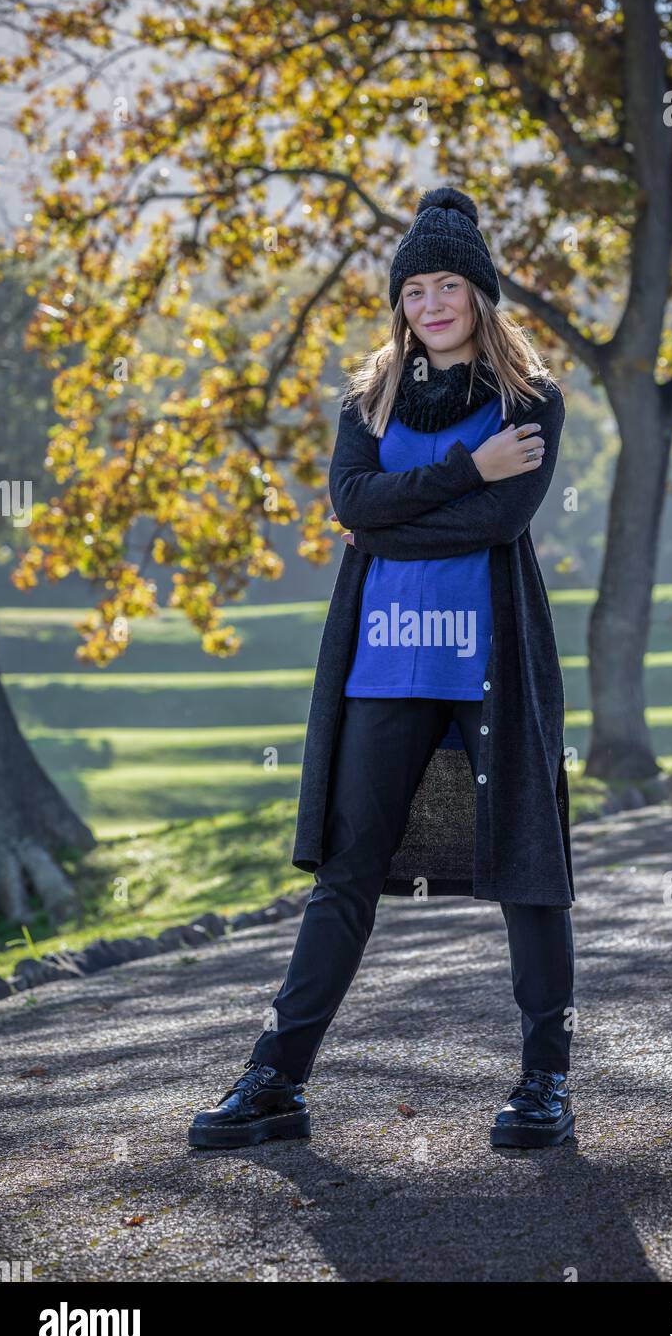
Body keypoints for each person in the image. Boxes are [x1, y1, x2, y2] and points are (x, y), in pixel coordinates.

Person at [189, 187, 576, 1152]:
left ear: (481, 297)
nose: (433, 304)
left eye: (451, 285)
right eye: (416, 289)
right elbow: (354, 507)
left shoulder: (531, 402)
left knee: (528, 866)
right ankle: (275, 1079)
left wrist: (413, 509)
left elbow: (498, 521)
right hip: (384, 668)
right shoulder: (370, 400)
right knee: (347, 872)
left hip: (491, 666)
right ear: (400, 303)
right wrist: (462, 470)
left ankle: (545, 1083)